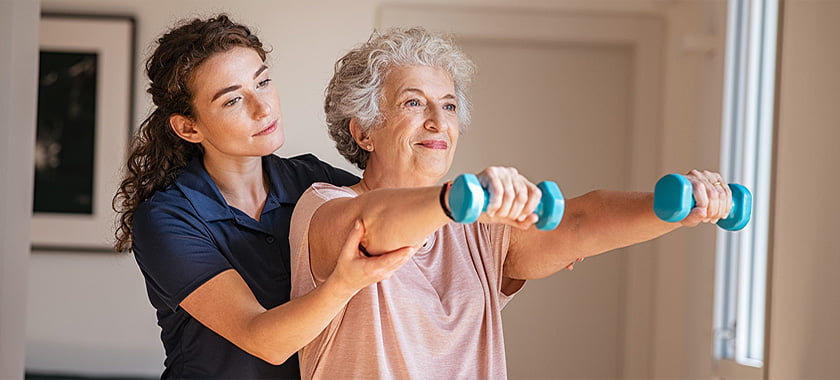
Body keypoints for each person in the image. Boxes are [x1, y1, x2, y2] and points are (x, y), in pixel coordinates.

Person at [289, 27, 734, 379]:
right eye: (413, 102)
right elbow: (373, 228)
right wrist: (459, 199)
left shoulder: (478, 226)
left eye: (447, 106)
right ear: (363, 132)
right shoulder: (324, 206)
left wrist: (675, 207)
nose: (437, 122)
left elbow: (579, 220)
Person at [113, 15, 417, 379]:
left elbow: (386, 212)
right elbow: (264, 340)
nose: (263, 108)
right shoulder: (168, 217)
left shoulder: (314, 181)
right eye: (233, 101)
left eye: (264, 82)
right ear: (188, 127)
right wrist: (344, 283)